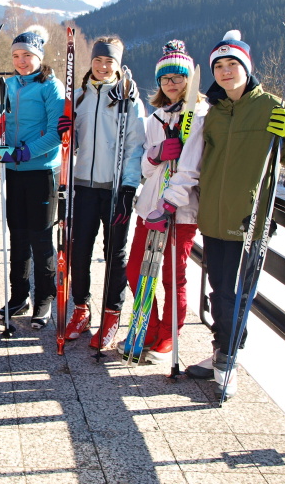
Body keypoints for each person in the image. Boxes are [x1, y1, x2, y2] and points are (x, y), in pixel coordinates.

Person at [183, 30, 285, 400]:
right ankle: (221, 353)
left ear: (247, 67)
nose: (225, 71)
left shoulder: (271, 107)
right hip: (214, 217)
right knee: (219, 291)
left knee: (235, 296)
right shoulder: (214, 112)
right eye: (219, 66)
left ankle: (228, 361)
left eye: (232, 64)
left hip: (249, 221)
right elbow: (198, 158)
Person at [121, 41, 208, 362]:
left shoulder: (198, 117)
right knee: (136, 270)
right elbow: (145, 168)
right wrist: (155, 155)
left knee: (172, 275)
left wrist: (169, 204)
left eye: (178, 77)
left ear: (188, 80)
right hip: (149, 209)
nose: (172, 84)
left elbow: (191, 170)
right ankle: (148, 327)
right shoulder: (155, 118)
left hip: (179, 212)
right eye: (165, 78)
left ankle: (169, 336)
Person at [63, 36, 146, 348]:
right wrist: (64, 129)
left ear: (118, 64)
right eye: (98, 60)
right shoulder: (79, 96)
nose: (102, 66)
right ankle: (81, 309)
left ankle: (112, 313)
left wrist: (128, 187)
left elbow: (135, 146)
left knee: (114, 253)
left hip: (115, 189)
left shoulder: (129, 100)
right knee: (79, 250)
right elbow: (71, 141)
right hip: (84, 185)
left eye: (109, 61)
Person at [0, 26, 65, 329]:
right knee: (17, 235)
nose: (21, 61)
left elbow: (56, 133)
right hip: (14, 171)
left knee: (40, 236)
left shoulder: (51, 87)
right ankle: (19, 296)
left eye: (27, 55)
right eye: (16, 56)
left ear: (39, 56)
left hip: (42, 170)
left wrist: (24, 153)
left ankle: (44, 298)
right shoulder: (7, 85)